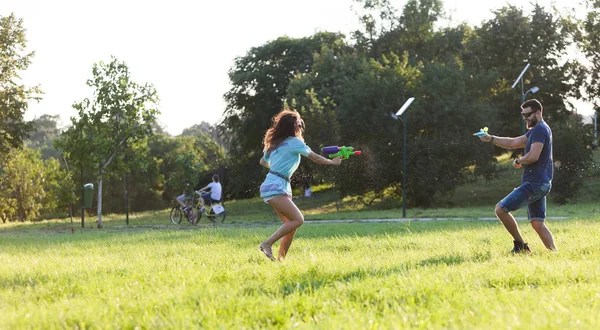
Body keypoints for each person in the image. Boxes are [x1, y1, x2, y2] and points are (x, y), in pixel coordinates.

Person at [258, 109, 341, 261]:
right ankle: (266, 243)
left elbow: (263, 161)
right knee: (298, 220)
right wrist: (332, 162)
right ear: (294, 127)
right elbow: (315, 158)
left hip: (274, 185)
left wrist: (277, 170)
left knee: (291, 226)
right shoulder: (294, 143)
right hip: (276, 187)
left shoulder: (276, 144)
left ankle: (280, 261)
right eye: (299, 124)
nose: (300, 126)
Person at [477, 99, 557, 253]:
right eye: (523, 115)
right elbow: (513, 142)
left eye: (527, 114)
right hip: (542, 182)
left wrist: (518, 160)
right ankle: (554, 253)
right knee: (537, 223)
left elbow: (533, 156)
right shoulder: (536, 130)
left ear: (538, 113)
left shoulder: (540, 130)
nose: (525, 118)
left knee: (500, 209)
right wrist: (491, 138)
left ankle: (520, 246)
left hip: (536, 183)